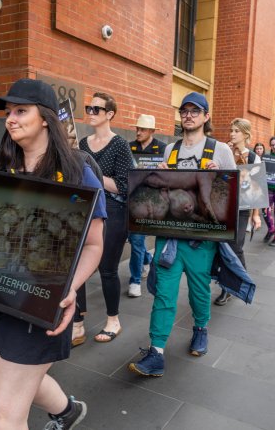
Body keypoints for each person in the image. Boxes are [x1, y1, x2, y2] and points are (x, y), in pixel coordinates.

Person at [0, 79, 106, 429]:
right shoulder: (2, 169)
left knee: (4, 413)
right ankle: (68, 412)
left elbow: (94, 245)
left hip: (40, 302)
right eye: (8, 112)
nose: (11, 119)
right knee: (22, 378)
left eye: (21, 111)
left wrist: (70, 289)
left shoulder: (80, 171)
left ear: (46, 118)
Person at [129, 92, 236, 377]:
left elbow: (234, 194)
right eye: (184, 111)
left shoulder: (220, 150)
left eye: (195, 111)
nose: (188, 115)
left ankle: (200, 329)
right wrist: (160, 174)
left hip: (201, 238)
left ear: (205, 116)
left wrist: (221, 175)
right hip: (170, 234)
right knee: (164, 292)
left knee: (200, 291)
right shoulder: (170, 150)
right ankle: (156, 352)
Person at [76, 92, 131, 343]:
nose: (91, 113)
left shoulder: (119, 144)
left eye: (96, 109)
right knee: (77, 266)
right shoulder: (82, 144)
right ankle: (77, 321)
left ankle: (113, 320)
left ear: (109, 114)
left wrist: (94, 175)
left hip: (112, 211)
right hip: (85, 210)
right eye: (89, 108)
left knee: (107, 269)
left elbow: (123, 185)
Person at [214, 117, 261, 306]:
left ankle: (234, 284)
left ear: (245, 134)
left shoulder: (252, 157)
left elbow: (256, 189)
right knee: (221, 247)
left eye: (236, 131)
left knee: (235, 248)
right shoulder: (224, 151)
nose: (232, 134)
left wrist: (256, 215)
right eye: (231, 130)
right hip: (222, 206)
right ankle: (231, 283)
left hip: (241, 208)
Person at [127, 114, 164, 298]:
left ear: (151, 131)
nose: (138, 132)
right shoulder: (129, 146)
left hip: (149, 200)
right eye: (137, 128)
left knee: (136, 241)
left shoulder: (162, 148)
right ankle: (146, 259)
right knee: (133, 239)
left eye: (142, 129)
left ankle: (134, 280)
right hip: (130, 198)